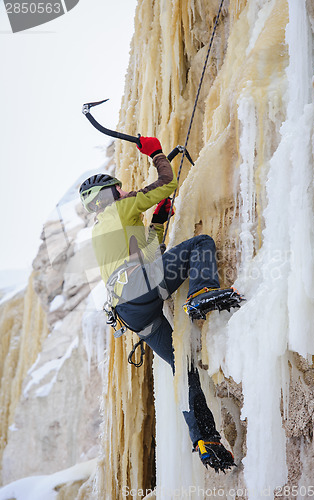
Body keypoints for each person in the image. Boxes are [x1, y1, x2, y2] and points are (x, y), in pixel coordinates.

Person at [79, 136, 241, 472]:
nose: (124, 193)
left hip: (132, 313)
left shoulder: (104, 232)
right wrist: (155, 153)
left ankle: (204, 439)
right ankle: (200, 293)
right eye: (117, 190)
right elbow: (167, 183)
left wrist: (158, 219)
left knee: (184, 367)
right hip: (140, 288)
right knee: (201, 244)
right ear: (106, 198)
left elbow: (150, 254)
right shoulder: (119, 209)